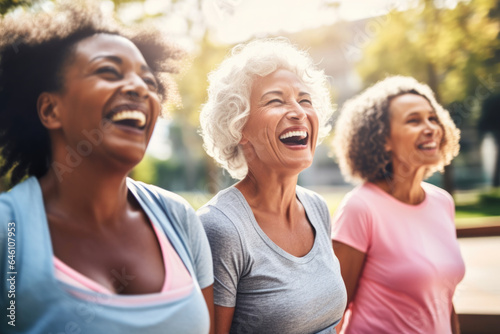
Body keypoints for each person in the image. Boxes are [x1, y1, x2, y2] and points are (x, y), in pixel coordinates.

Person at [0, 3, 214, 333]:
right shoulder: (8, 234)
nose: (141, 88)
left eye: (149, 81)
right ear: (50, 110)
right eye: (109, 72)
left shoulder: (179, 218)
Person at [197, 38, 347, 334]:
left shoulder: (316, 208)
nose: (299, 112)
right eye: (276, 100)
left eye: (305, 100)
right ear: (238, 127)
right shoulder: (220, 227)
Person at [331, 75, 465, 334]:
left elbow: (443, 301)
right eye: (413, 120)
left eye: (432, 118)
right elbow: (335, 311)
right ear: (383, 139)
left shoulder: (442, 202)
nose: (430, 128)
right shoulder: (361, 207)